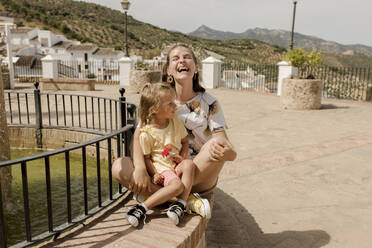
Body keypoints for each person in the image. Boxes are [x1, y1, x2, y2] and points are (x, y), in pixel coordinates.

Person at [112, 44, 237, 223]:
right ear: (168, 70)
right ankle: (185, 201)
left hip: (196, 172)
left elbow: (226, 147)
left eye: (187, 57)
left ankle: (155, 196)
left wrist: (229, 154)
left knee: (213, 146)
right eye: (175, 58)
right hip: (160, 172)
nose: (182, 61)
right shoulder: (158, 98)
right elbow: (139, 136)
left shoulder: (210, 103)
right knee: (119, 166)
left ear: (195, 68)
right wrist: (140, 168)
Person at [126, 83, 198, 227]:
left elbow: (185, 142)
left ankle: (180, 205)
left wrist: (183, 157)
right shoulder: (146, 134)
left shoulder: (175, 122)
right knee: (177, 186)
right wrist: (154, 174)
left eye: (174, 102)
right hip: (163, 169)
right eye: (170, 104)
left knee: (190, 164)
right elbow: (147, 158)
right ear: (155, 109)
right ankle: (141, 208)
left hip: (176, 165)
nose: (175, 106)